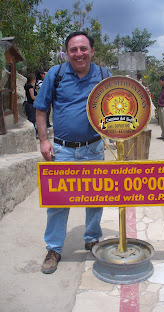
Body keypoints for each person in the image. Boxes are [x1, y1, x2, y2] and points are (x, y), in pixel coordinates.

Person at [34, 31, 112, 274]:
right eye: (73, 49)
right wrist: (44, 141)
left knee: (95, 197)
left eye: (83, 48)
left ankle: (92, 239)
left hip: (94, 147)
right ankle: (54, 248)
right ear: (67, 52)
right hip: (62, 150)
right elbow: (41, 109)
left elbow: (115, 104)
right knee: (58, 202)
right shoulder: (56, 75)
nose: (79, 54)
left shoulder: (103, 75)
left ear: (91, 51)